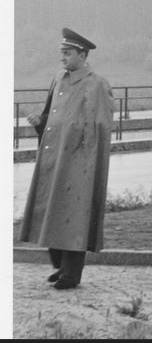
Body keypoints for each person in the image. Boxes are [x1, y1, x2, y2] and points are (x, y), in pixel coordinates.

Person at [19, 28, 114, 290]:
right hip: (53, 158)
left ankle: (71, 275)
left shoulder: (96, 84)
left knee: (74, 215)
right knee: (51, 210)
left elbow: (101, 126)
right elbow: (51, 115)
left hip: (79, 163)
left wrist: (86, 157)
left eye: (68, 53)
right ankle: (61, 266)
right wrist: (40, 122)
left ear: (82, 55)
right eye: (61, 53)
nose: (63, 58)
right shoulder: (58, 79)